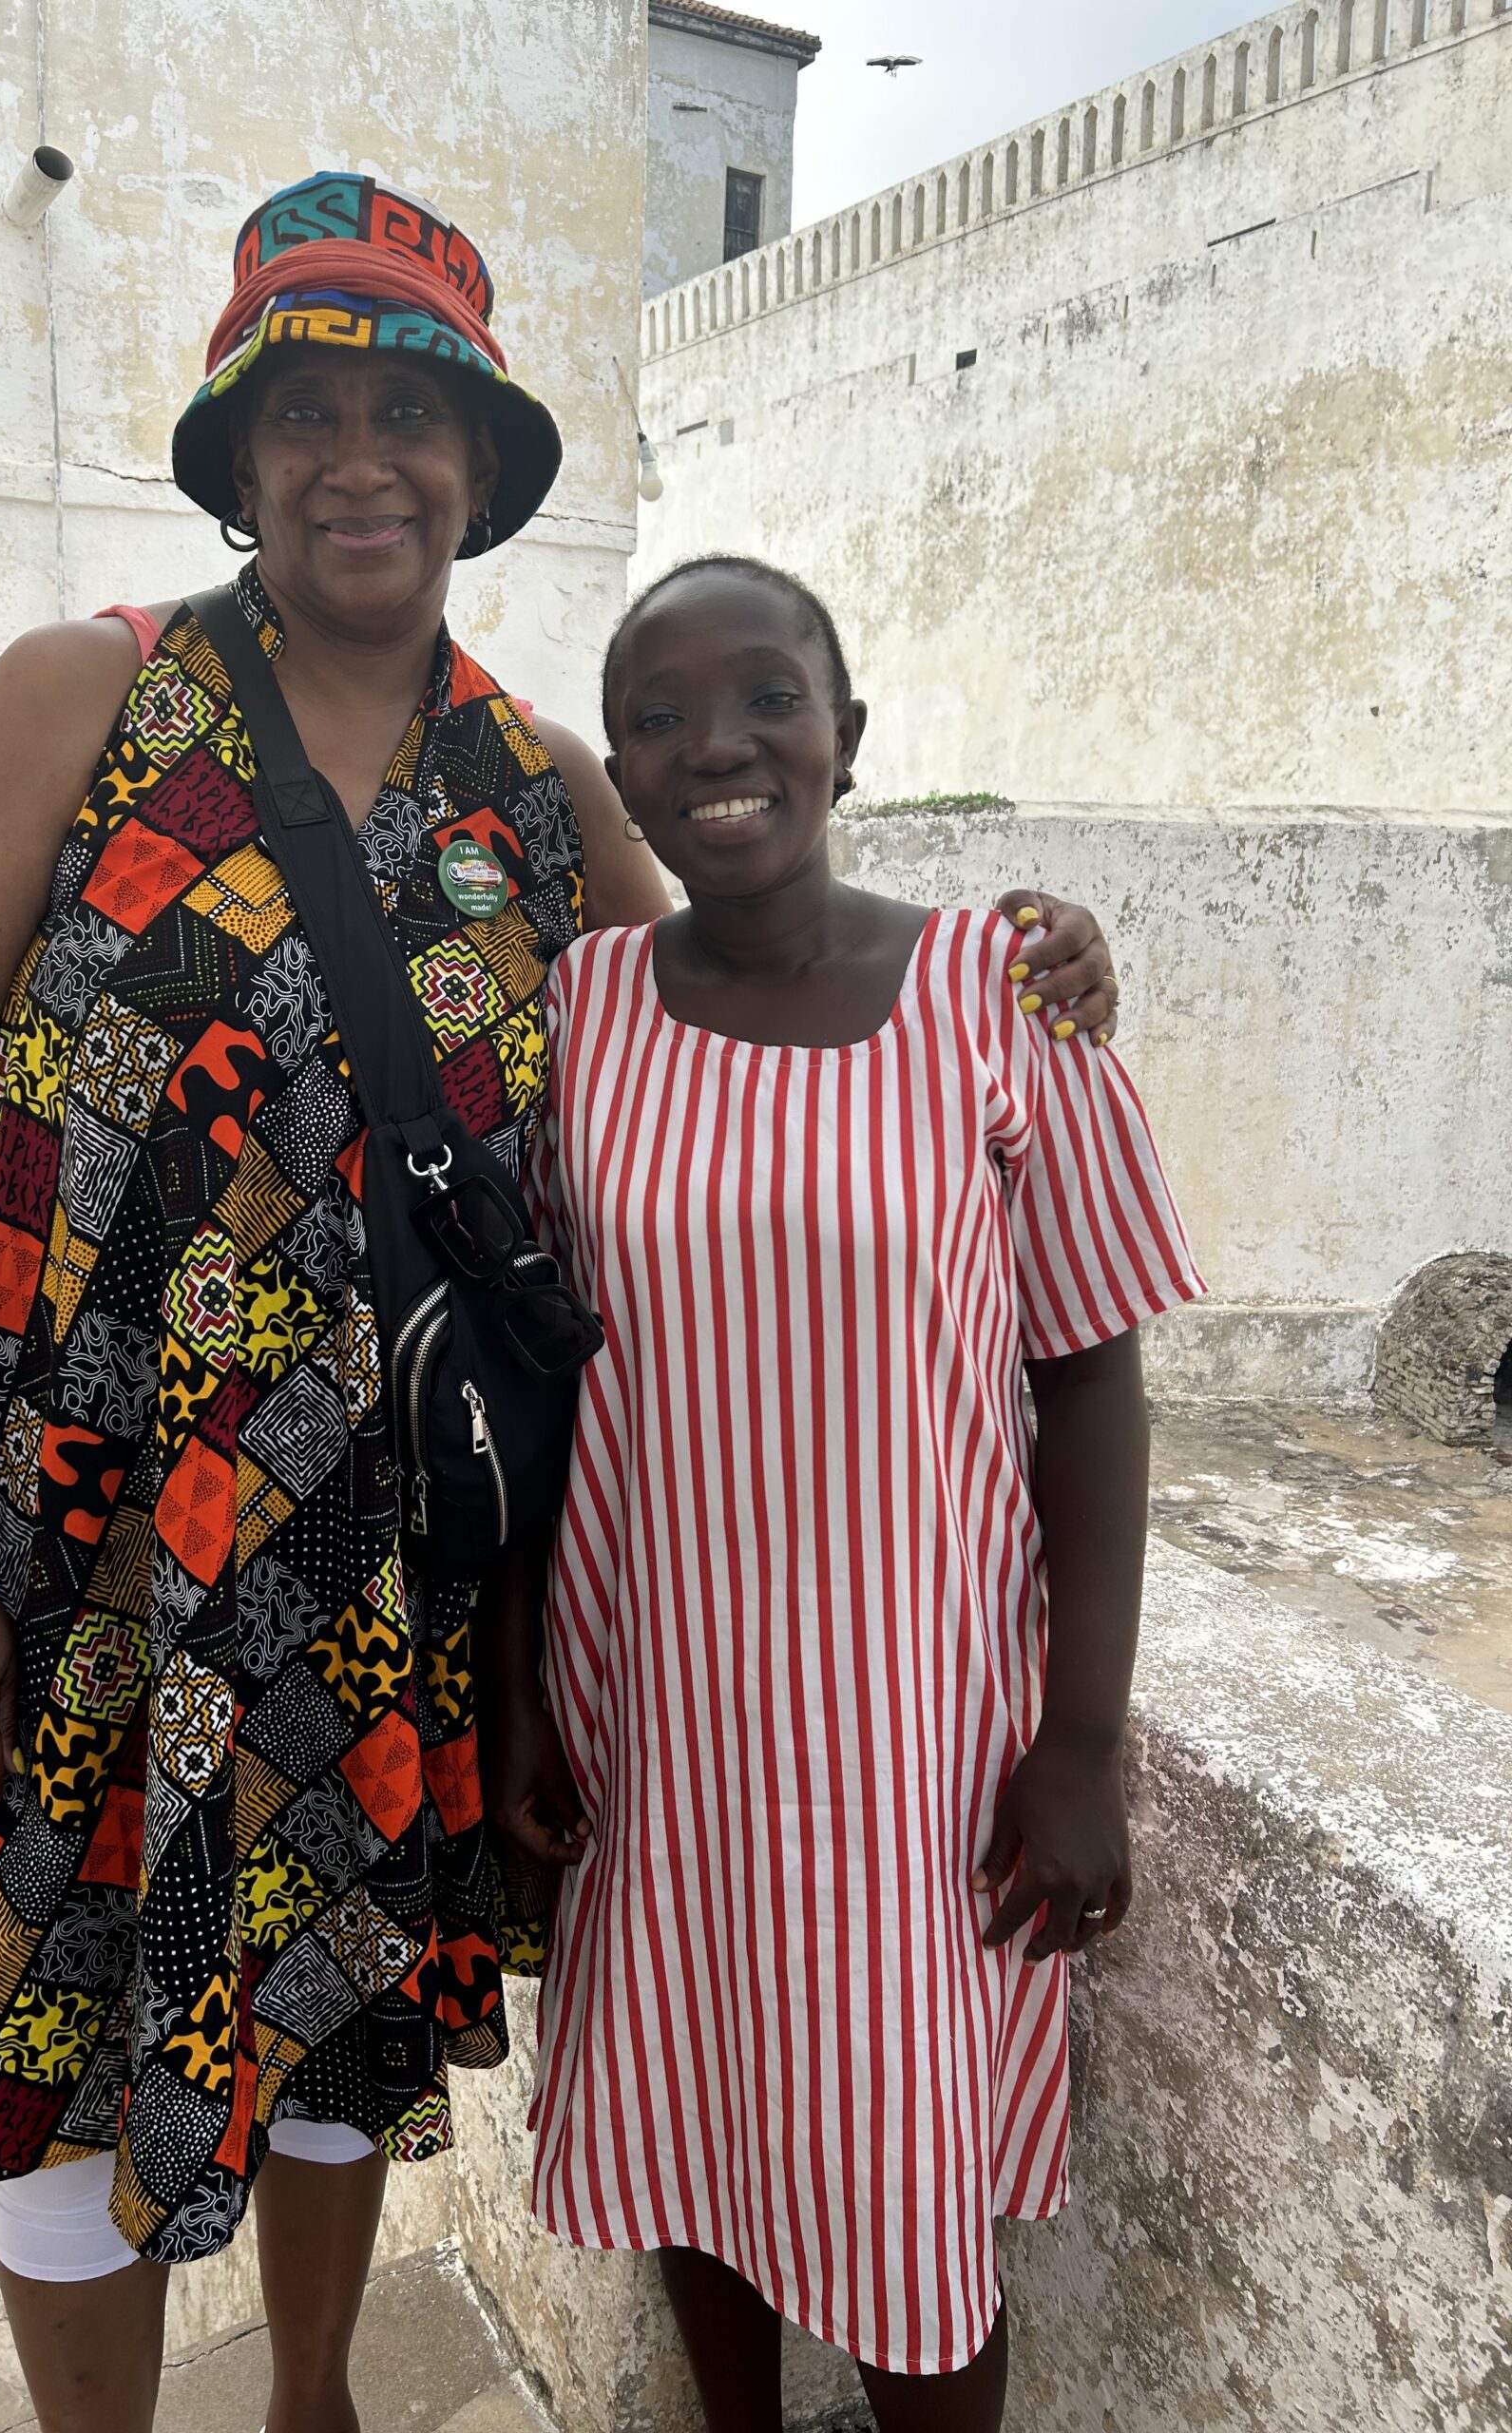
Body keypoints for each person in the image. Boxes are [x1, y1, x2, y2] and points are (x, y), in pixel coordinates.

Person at [0, 172, 1130, 2433]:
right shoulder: (84, 695)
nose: (358, 458)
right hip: (72, 1550)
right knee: (52, 2053)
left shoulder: (543, 792)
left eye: (411, 410)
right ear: (240, 453)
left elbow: (766, 976)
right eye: (305, 410)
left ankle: (315, 2398)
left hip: (374, 1569)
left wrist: (1021, 958)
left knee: (326, 2028)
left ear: (482, 466)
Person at [483, 556, 1205, 2433]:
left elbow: (1090, 1376)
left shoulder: (999, 998)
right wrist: (519, 1689)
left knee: (907, 2183)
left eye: (768, 697)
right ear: (622, 776)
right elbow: (542, 1381)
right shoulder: (582, 1015)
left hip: (913, 1749)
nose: (719, 745)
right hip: (657, 1721)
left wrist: (1080, 1741)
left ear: (847, 736)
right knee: (685, 2126)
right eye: (659, 719)